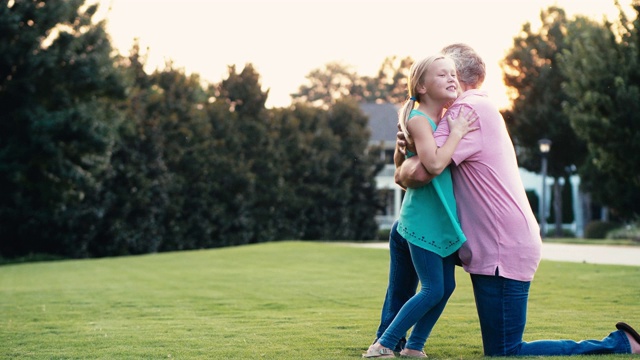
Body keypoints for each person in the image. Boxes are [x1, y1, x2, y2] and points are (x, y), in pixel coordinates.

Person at [391, 42, 640, 356]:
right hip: (495, 242)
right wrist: (406, 148)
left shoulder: (466, 110)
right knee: (403, 232)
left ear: (459, 76)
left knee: (505, 350)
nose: (445, 77)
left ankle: (618, 344)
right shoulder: (474, 106)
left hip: (501, 248)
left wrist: (401, 163)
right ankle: (397, 342)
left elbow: (424, 171)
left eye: (447, 71)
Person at [363, 54, 478, 359]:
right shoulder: (419, 120)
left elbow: (405, 160)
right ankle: (383, 344)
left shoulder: (441, 119)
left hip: (439, 218)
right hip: (422, 219)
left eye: (453, 74)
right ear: (423, 87)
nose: (452, 79)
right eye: (442, 75)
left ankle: (414, 346)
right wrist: (457, 134)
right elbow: (435, 164)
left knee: (446, 287)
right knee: (431, 288)